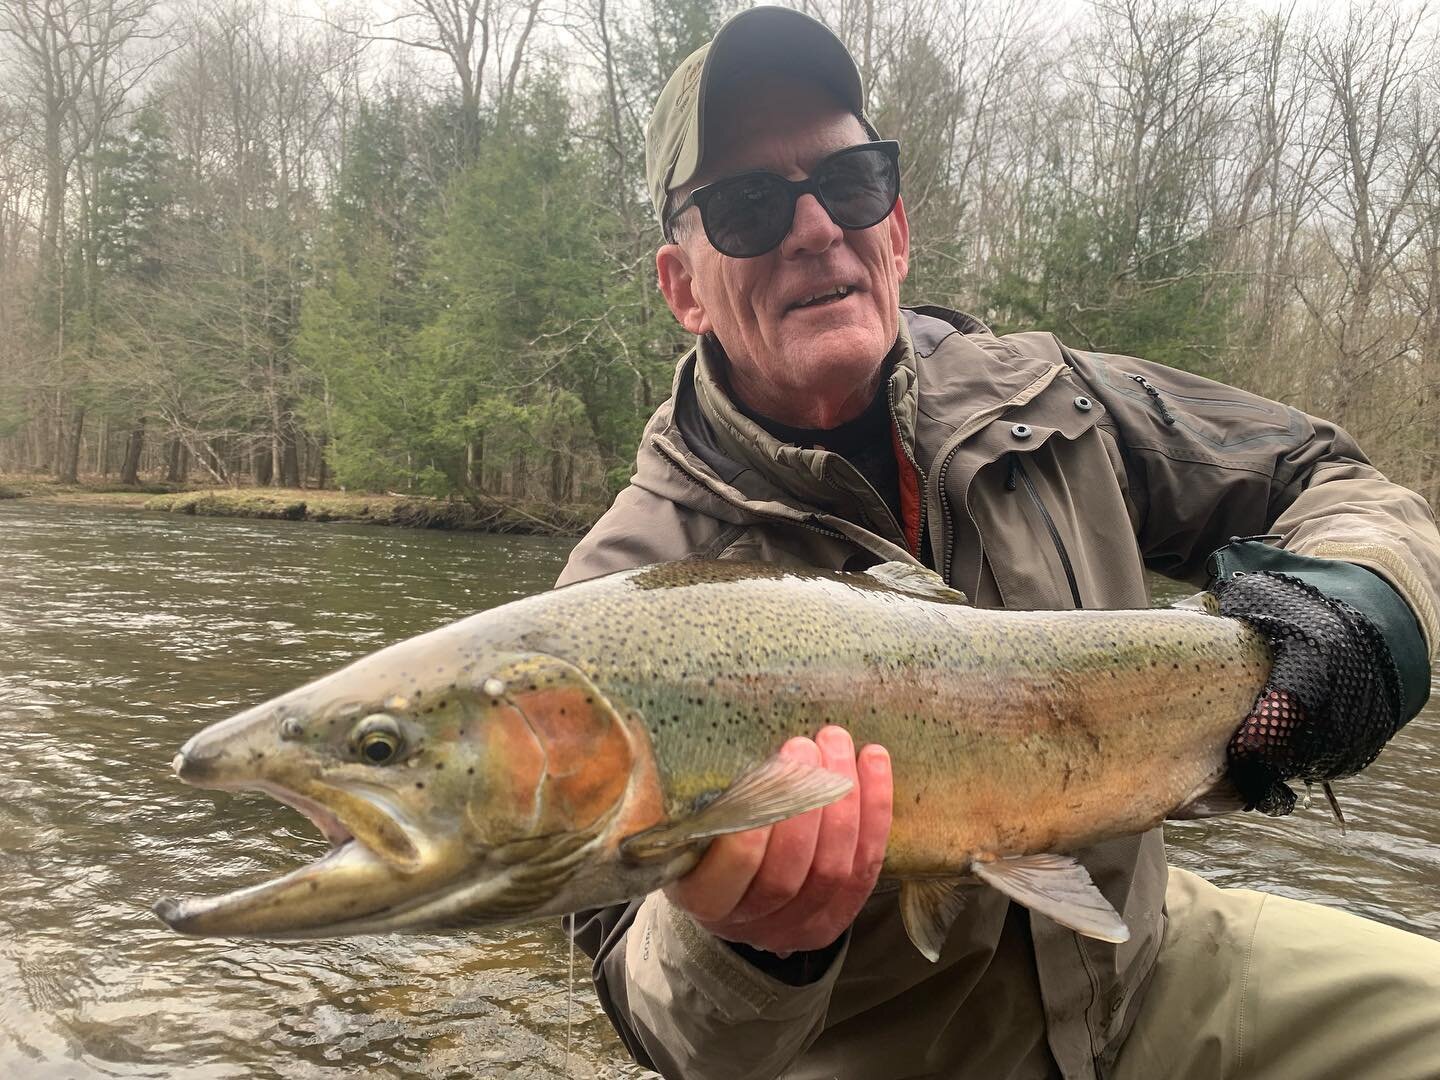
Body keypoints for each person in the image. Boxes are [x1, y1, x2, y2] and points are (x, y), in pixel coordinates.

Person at [556, 8, 1440, 1079]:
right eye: (746, 206)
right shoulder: (619, 596)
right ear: (682, 285)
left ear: (897, 228)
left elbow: (1332, 478)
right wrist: (742, 947)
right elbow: (651, 1019)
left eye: (849, 184)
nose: (814, 229)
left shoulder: (1053, 400)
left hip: (1148, 966)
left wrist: (1360, 606)